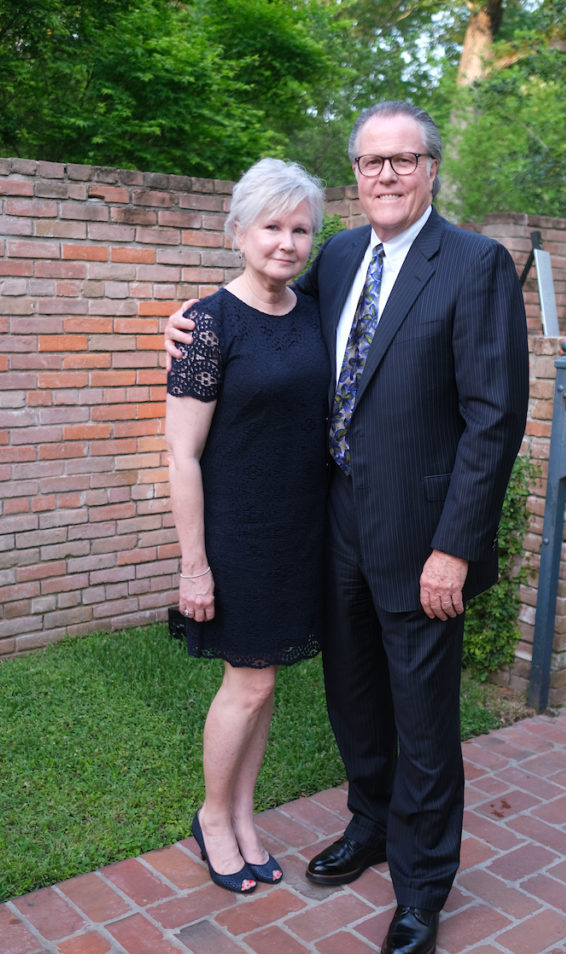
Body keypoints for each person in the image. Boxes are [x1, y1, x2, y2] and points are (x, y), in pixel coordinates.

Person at [165, 102, 529, 954]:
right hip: (333, 529)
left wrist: (455, 545)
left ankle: (421, 888)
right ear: (354, 175)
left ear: (431, 169)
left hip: (421, 538)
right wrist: (181, 327)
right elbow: (261, 312)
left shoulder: (474, 265)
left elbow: (494, 417)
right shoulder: (334, 256)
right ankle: (369, 826)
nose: (387, 176)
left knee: (423, 720)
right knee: (355, 698)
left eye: (404, 160)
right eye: (371, 163)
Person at [165, 157, 328, 896]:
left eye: (301, 229)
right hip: (238, 537)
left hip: (302, 532)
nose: (287, 243)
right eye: (271, 226)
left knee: (264, 688)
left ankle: (243, 816)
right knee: (247, 685)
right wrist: (193, 565)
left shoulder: (316, 311)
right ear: (237, 232)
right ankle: (211, 818)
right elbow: (181, 453)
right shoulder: (204, 324)